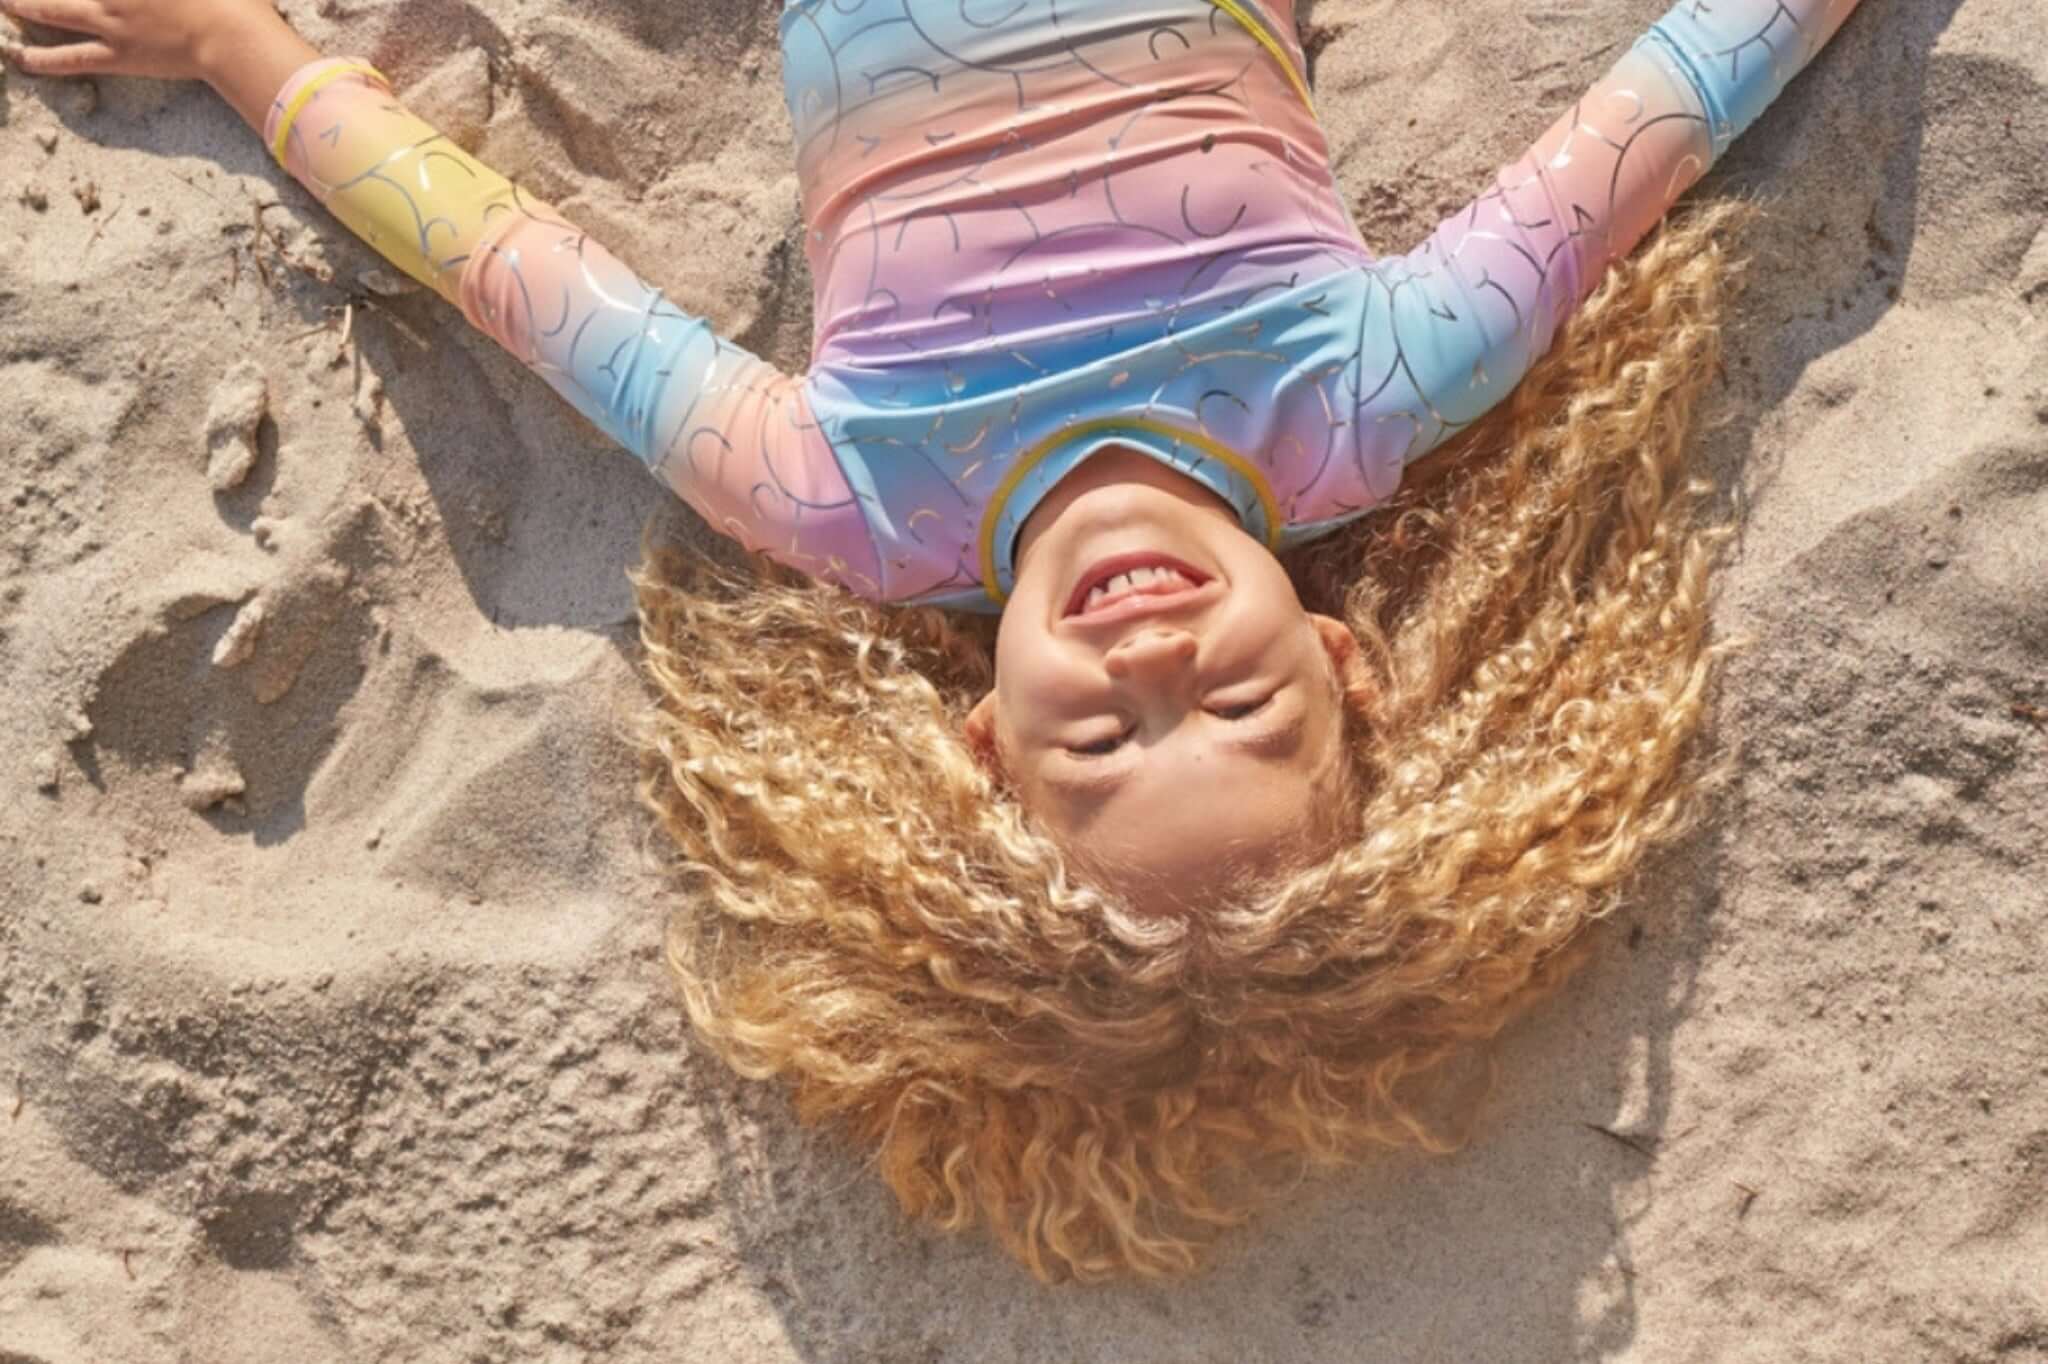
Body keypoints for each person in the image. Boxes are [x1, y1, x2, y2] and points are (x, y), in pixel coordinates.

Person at [4, 0, 1867, 1279]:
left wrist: (241, 52)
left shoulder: (852, 506)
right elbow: (1669, 104)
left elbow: (507, 268)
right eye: (1233, 703)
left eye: (1103, 746)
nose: (1151, 665)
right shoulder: (1364, 397)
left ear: (985, 744)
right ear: (1342, 661)